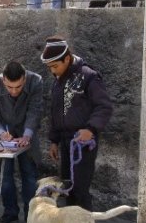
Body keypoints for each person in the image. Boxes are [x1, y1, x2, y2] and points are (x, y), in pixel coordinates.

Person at [40, 36, 113, 212]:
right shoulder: (58, 81)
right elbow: (55, 112)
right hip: (65, 142)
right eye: (50, 67)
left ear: (67, 58)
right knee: (67, 189)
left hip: (82, 143)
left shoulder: (89, 76)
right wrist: (54, 141)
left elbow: (104, 107)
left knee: (80, 191)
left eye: (55, 66)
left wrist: (91, 129)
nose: (53, 71)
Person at [0, 61, 44, 223]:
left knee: (30, 175)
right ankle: (10, 211)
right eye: (10, 87)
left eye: (18, 87)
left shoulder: (35, 81)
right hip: (3, 135)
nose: (14, 91)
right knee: (5, 176)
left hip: (27, 133)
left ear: (25, 79)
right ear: (3, 80)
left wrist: (27, 135)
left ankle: (32, 214)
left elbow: (35, 111)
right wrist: (2, 133)